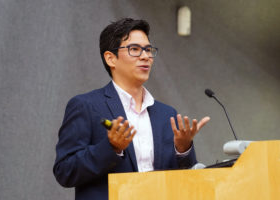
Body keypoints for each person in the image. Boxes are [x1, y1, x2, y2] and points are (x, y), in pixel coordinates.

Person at [53, 18, 210, 200]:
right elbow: (65, 171)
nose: (145, 56)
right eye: (134, 49)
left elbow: (186, 177)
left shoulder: (167, 115)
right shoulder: (86, 106)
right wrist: (111, 148)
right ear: (111, 58)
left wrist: (183, 150)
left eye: (148, 50)